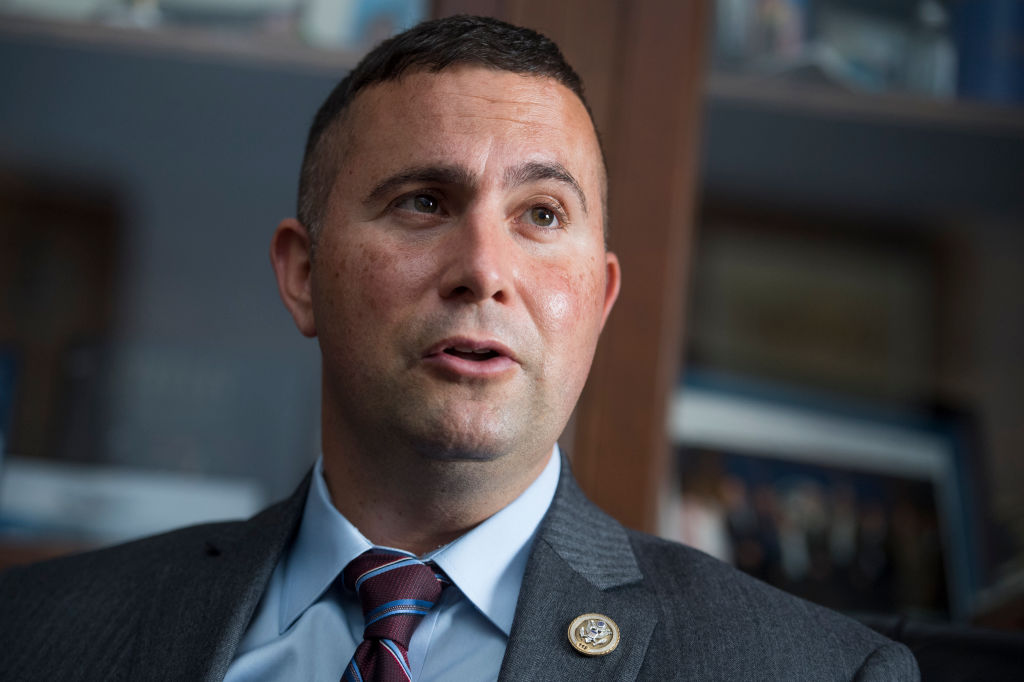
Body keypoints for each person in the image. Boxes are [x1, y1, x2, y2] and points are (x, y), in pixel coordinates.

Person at [0, 15, 918, 681]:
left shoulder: (816, 672)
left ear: (597, 301)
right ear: (302, 275)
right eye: (424, 203)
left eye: (541, 215)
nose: (485, 269)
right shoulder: (34, 637)